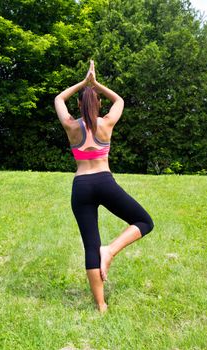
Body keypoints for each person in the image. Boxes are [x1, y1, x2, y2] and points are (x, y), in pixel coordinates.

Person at [54, 60, 154, 312]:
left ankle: (101, 305)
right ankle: (109, 251)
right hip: (104, 182)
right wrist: (95, 83)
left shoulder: (70, 125)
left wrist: (82, 84)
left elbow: (58, 98)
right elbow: (119, 100)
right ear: (99, 104)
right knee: (144, 221)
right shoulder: (106, 123)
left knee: (90, 244)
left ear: (78, 105)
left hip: (81, 186)